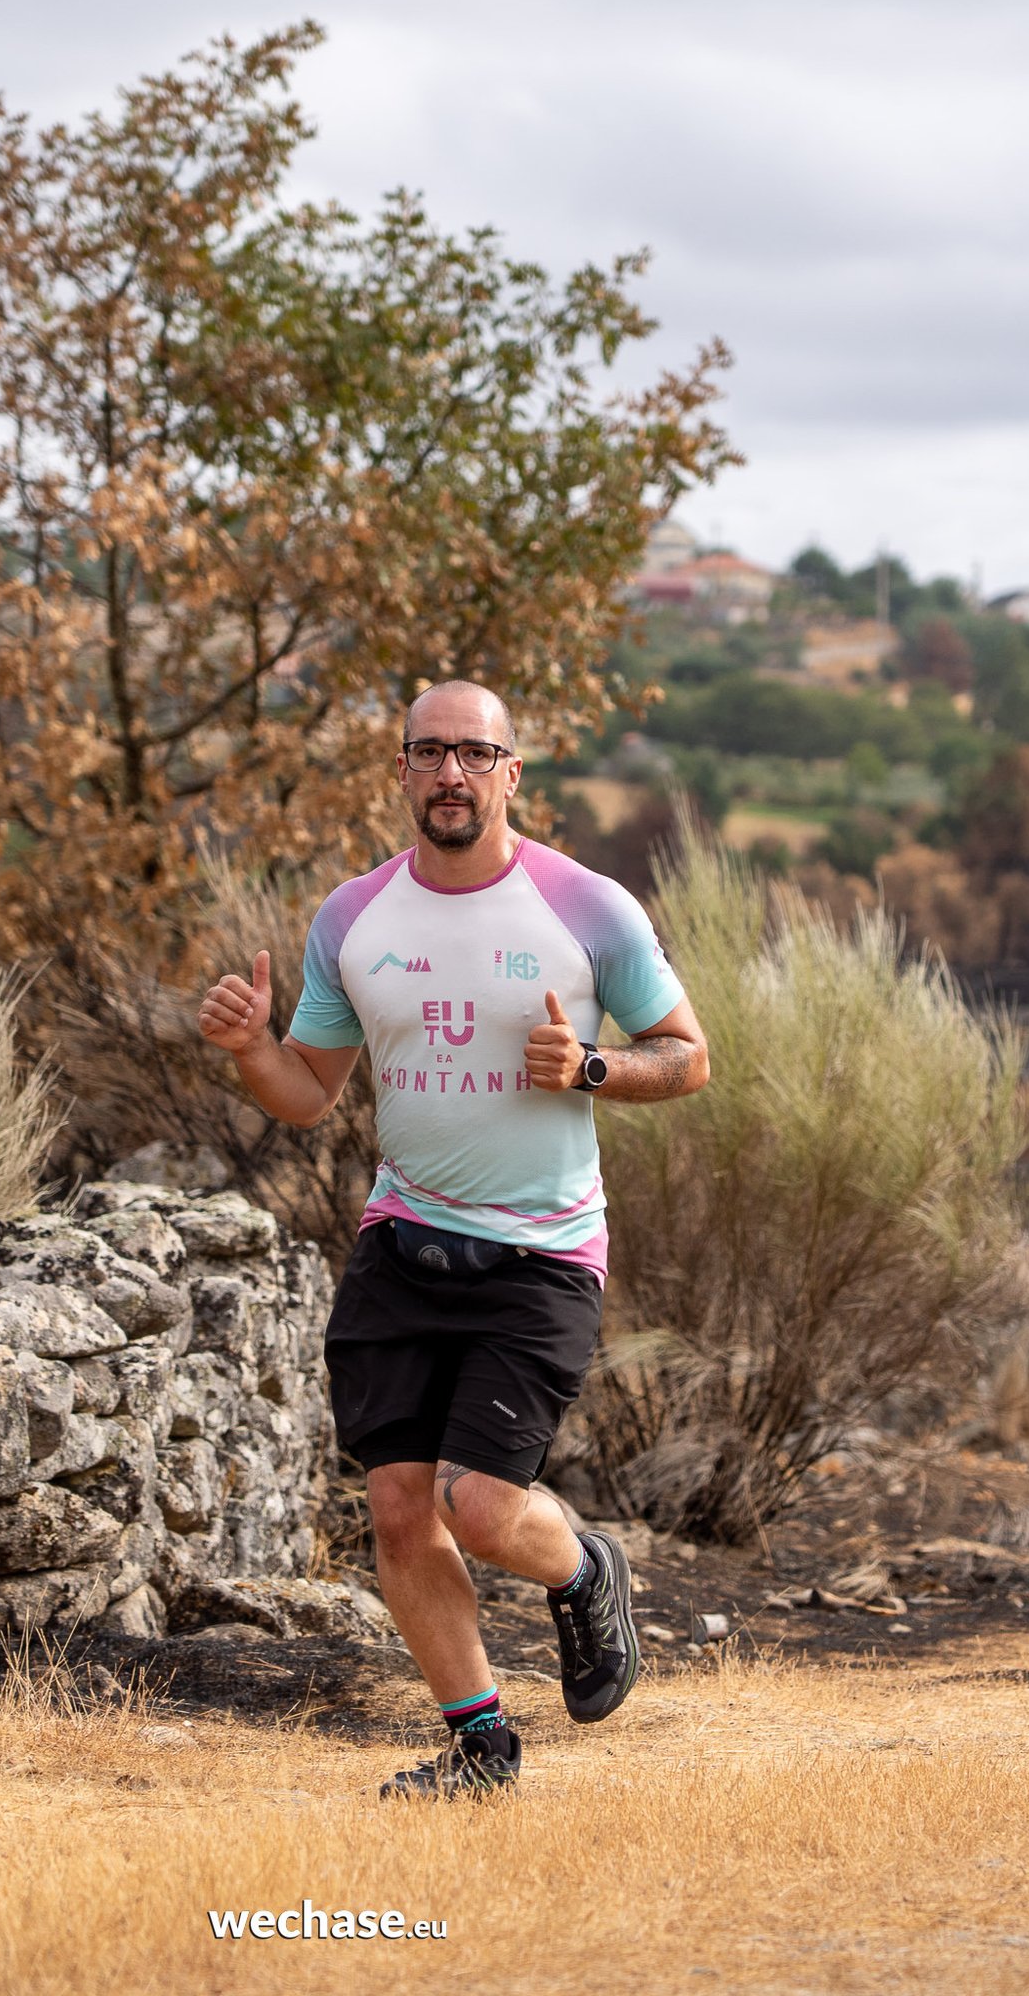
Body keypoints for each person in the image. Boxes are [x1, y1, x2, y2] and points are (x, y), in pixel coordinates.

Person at [196, 681, 709, 1798]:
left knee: (478, 1504)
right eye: (428, 752)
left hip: (542, 1253)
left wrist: (589, 1069)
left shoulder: (587, 906)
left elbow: (685, 1054)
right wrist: (248, 1049)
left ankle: (583, 1569)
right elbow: (309, 1091)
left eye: (474, 753)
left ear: (510, 772)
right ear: (401, 769)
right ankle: (481, 1748)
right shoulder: (353, 916)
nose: (449, 774)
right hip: (405, 1238)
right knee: (393, 1504)